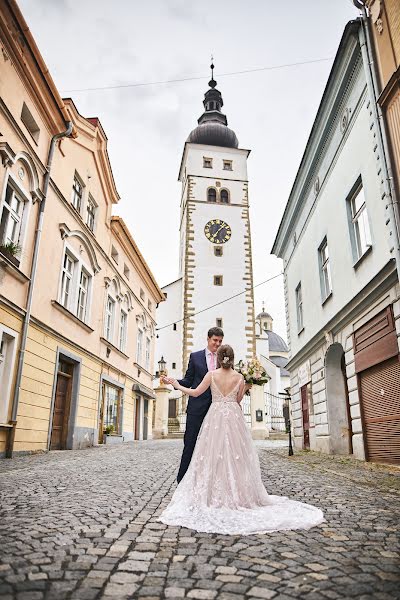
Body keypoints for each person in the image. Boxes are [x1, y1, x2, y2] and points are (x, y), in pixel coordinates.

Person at [159, 344, 324, 535]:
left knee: (213, 453)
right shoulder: (239, 377)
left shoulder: (211, 375)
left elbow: (195, 392)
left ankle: (214, 492)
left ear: (219, 359)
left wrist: (177, 385)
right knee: (237, 454)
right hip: (234, 417)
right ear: (232, 359)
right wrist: (246, 386)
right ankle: (239, 493)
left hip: (215, 416)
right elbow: (237, 401)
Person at [162, 326, 224, 483]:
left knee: (215, 445)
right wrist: (175, 382)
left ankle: (211, 481)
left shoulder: (223, 358)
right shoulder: (195, 357)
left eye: (220, 341)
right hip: (196, 407)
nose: (217, 344)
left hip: (216, 408)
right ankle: (182, 480)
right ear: (208, 339)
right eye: (215, 340)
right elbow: (189, 381)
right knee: (190, 442)